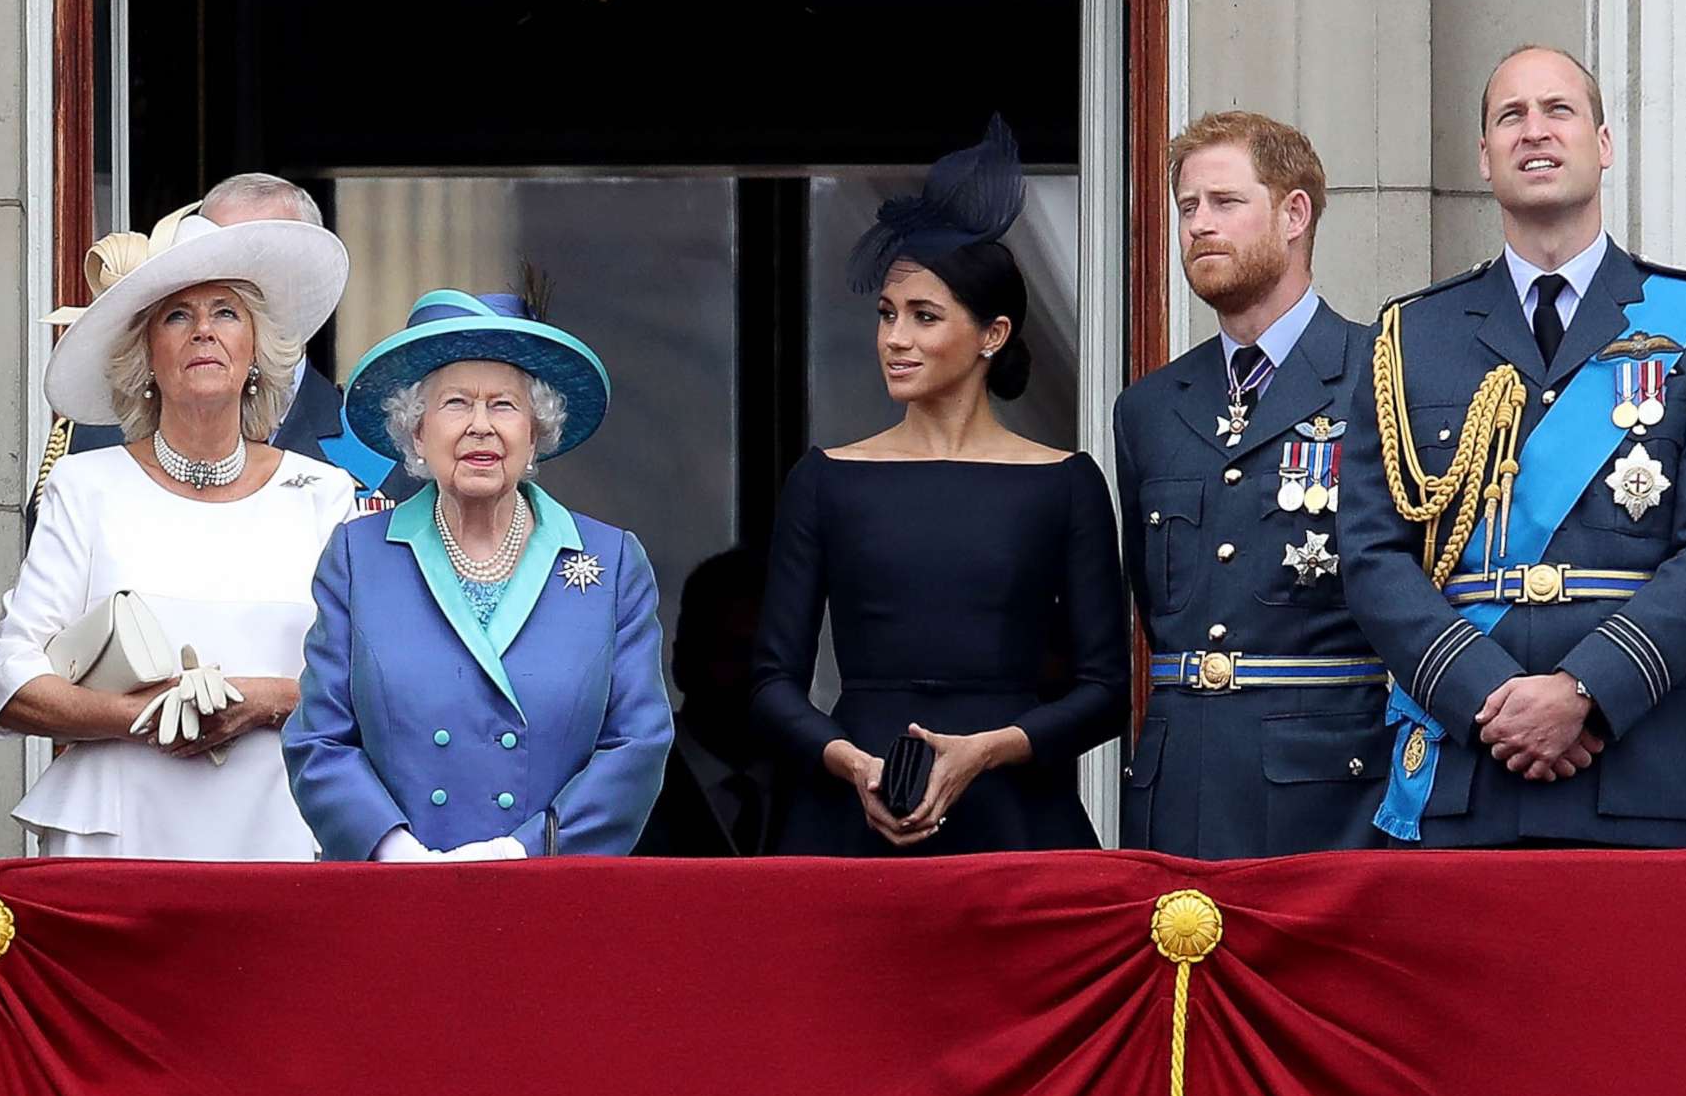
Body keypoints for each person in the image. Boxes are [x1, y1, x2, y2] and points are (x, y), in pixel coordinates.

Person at [1340, 46, 1686, 846]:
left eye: (1558, 110)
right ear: (1485, 155)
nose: (1534, 131)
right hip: (1464, 771)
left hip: (1641, 769)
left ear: (1603, 144)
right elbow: (1371, 554)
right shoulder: (1408, 337)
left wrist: (1583, 690)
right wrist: (1488, 698)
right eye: (1511, 116)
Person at [752, 117, 1129, 855]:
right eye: (888, 315)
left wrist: (987, 749)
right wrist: (854, 765)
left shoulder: (1065, 483)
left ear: (992, 334)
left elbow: (1106, 692)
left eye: (925, 317)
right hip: (850, 814)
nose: (895, 339)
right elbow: (771, 685)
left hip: (1013, 816)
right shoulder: (825, 479)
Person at [0, 213, 357, 857]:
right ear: (146, 355)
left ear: (257, 352)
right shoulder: (84, 485)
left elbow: (367, 685)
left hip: (281, 830)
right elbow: (8, 681)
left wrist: (262, 700)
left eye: (226, 313)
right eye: (177, 315)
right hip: (119, 833)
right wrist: (149, 719)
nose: (204, 330)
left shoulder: (325, 494)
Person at [285, 290, 671, 860]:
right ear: (416, 433)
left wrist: (523, 852)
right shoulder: (357, 557)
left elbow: (638, 745)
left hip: (551, 893)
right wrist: (392, 850)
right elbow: (319, 739)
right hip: (399, 892)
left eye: (505, 405)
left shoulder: (611, 562)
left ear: (537, 432)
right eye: (456, 404)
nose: (481, 427)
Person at [1112, 110, 1390, 855]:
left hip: (1332, 792)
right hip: (1178, 787)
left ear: (1294, 213)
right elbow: (1152, 603)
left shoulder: (1381, 377)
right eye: (1187, 208)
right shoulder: (1148, 408)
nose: (1200, 224)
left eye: (1225, 202)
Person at [27, 173, 413, 525]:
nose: (205, 328)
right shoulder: (93, 446)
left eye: (229, 304)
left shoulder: (374, 448)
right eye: (179, 312)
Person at [636, 546, 775, 856]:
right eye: (734, 652)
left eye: (770, 660)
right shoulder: (632, 780)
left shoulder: (819, 791)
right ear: (682, 662)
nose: (753, 676)